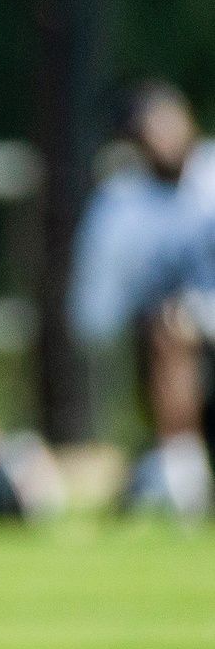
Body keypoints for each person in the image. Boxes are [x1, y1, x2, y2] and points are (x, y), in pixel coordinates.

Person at [71, 80, 215, 516]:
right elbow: (95, 316)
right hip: (159, 355)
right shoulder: (119, 207)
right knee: (169, 326)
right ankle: (181, 471)